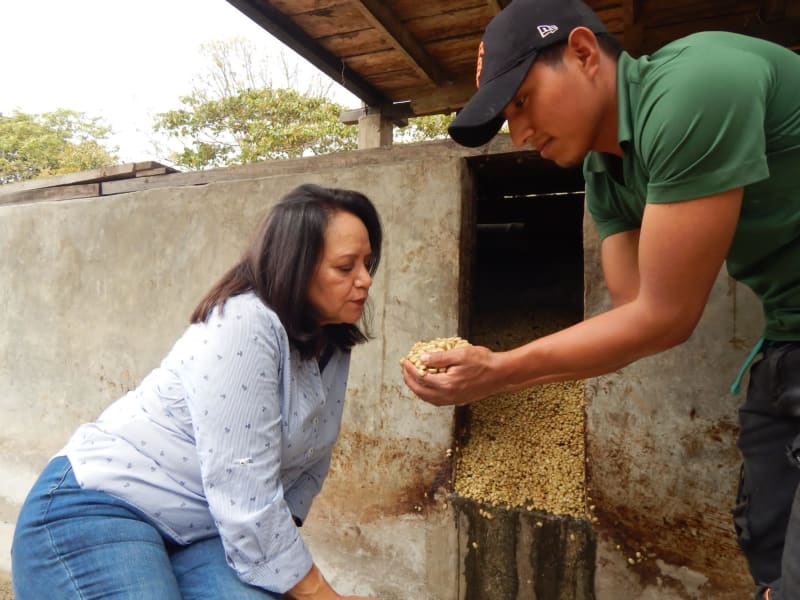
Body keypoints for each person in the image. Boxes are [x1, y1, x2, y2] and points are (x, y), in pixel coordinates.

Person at [401, 0, 800, 598]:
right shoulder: (605, 172)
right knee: (767, 548)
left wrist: (501, 370)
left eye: (523, 101)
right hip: (789, 335)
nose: (521, 134)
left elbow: (666, 316)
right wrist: (497, 373)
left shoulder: (696, 85)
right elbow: (634, 316)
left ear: (584, 53)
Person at [12, 183, 383, 600]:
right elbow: (242, 485)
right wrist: (320, 594)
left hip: (204, 531)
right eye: (345, 267)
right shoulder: (244, 322)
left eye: (367, 263)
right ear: (295, 266)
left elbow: (310, 459)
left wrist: (280, 573)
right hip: (101, 504)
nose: (365, 280)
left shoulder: (330, 341)